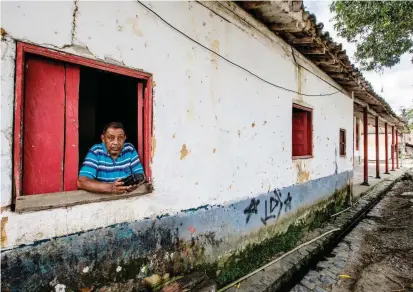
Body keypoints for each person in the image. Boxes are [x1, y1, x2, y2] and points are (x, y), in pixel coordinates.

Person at [77, 122, 144, 194]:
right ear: (103, 138)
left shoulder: (129, 149)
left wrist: (134, 185)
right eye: (111, 138)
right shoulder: (96, 151)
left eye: (120, 138)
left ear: (124, 138)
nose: (116, 142)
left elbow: (141, 176)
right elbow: (82, 182)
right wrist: (111, 187)